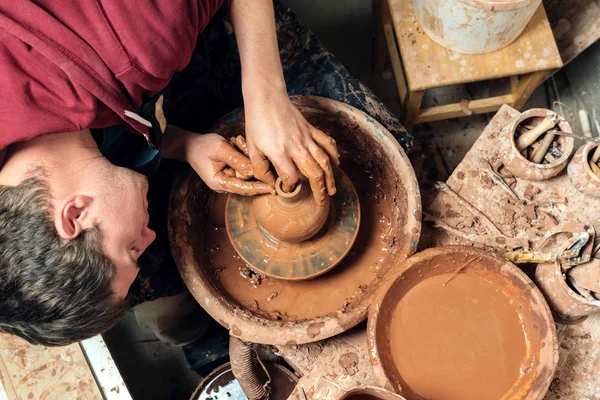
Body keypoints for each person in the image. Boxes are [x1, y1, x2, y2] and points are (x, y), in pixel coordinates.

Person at [0, 0, 411, 347]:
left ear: (74, 215)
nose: (150, 238)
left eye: (132, 248)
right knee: (165, 314)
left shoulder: (144, 37)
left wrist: (265, 98)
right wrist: (184, 144)